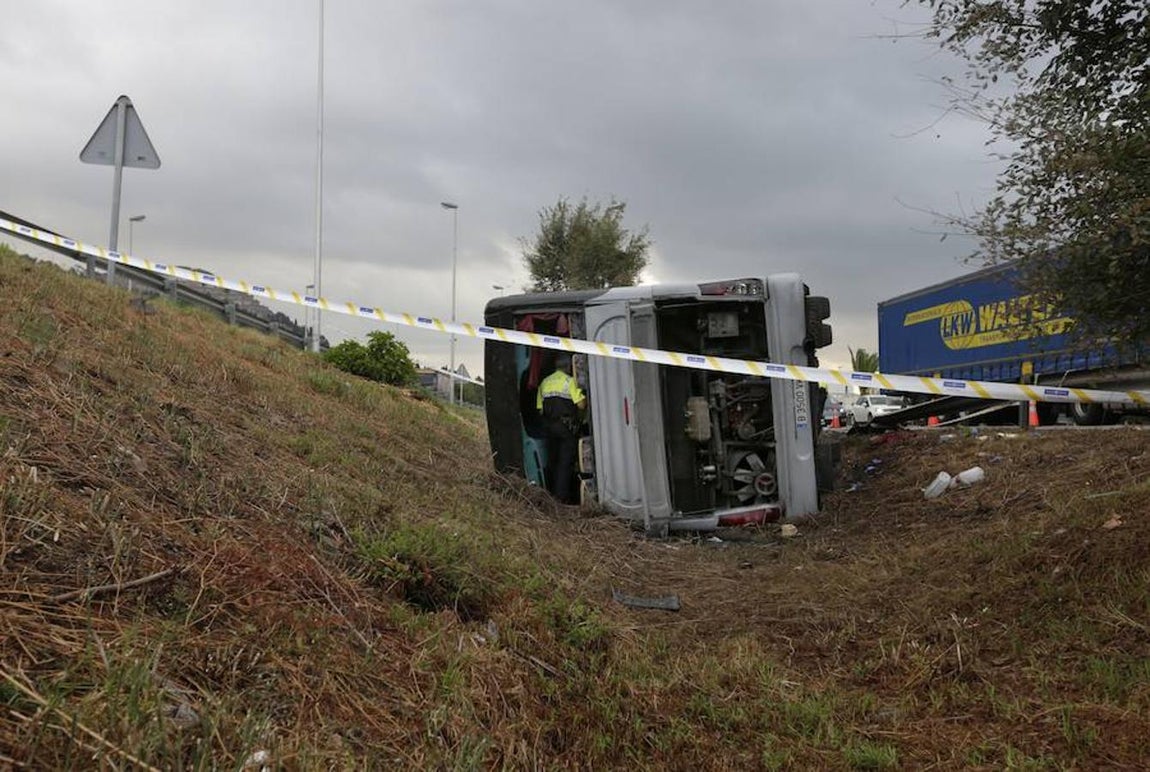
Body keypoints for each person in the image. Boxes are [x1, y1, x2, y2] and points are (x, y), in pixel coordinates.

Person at [535, 354, 586, 504]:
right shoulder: (570, 382)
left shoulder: (545, 382)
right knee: (565, 464)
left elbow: (540, 409)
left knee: (553, 461)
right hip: (565, 429)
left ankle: (550, 495)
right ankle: (561, 499)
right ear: (568, 367)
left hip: (549, 428)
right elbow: (581, 405)